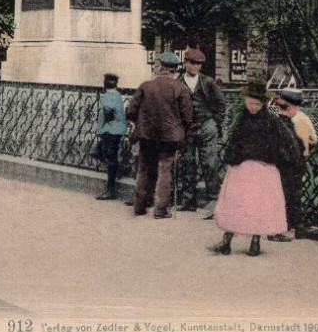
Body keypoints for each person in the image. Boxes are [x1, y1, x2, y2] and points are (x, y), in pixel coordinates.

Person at [214, 78, 301, 257]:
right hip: (242, 169)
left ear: (263, 104)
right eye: (249, 103)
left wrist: (287, 158)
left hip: (263, 169)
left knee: (258, 204)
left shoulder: (271, 121)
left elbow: (286, 141)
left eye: (256, 104)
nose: (252, 107)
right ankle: (226, 240)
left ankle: (255, 241)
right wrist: (233, 157)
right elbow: (234, 141)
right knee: (236, 202)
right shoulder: (242, 119)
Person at [126, 53, 193, 219]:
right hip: (169, 137)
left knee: (144, 169)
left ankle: (139, 207)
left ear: (160, 67)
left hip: (146, 134)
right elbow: (188, 117)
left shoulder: (146, 86)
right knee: (165, 170)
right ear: (175, 70)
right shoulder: (180, 88)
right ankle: (161, 210)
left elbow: (130, 111)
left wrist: (142, 122)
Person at [270, 89, 318, 242]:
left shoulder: (293, 120)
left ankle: (294, 224)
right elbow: (309, 142)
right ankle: (287, 225)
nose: (280, 110)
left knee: (291, 193)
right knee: (289, 193)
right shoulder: (289, 120)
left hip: (290, 162)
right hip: (289, 162)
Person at [174, 47, 226, 218]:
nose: (196, 67)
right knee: (187, 162)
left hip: (206, 127)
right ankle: (188, 201)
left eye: (199, 64)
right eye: (193, 63)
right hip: (187, 129)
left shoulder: (208, 82)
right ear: (185, 63)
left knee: (210, 163)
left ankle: (214, 201)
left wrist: (214, 123)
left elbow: (220, 104)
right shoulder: (178, 83)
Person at [94, 73, 127, 201]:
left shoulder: (108, 96)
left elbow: (107, 114)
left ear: (104, 83)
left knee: (108, 158)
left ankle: (110, 190)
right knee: (101, 153)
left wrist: (100, 130)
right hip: (116, 131)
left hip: (111, 131)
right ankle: (117, 169)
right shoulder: (117, 95)